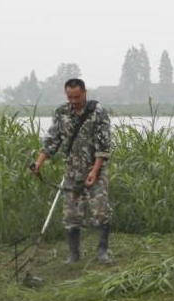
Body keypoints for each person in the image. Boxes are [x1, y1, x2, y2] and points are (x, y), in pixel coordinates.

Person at [30, 78, 112, 263]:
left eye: (77, 96)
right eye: (70, 97)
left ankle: (102, 252)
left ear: (84, 92)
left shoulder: (98, 113)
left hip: (95, 172)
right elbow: (52, 141)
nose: (73, 100)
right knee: (71, 215)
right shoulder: (61, 113)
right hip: (71, 172)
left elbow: (103, 147)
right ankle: (74, 255)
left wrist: (94, 171)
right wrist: (38, 164)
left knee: (100, 212)